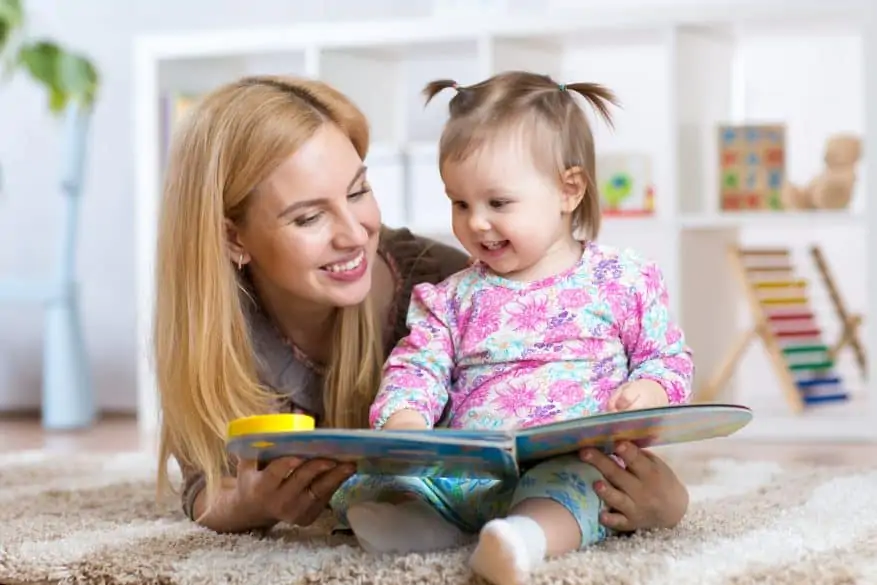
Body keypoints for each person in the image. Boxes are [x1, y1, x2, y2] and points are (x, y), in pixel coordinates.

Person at [152, 73, 691, 543]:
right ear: (232, 238)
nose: (354, 232)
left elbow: (651, 368)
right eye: (308, 217)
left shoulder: (440, 275)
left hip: (557, 471)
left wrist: (665, 501)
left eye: (359, 191)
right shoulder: (217, 327)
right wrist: (251, 506)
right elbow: (205, 483)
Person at [333, 72, 695, 585]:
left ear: (568, 190)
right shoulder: (452, 295)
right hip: (473, 465)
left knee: (578, 490)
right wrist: (407, 419)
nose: (476, 223)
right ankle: (418, 523)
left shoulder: (623, 280)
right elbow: (418, 364)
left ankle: (523, 540)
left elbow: (668, 356)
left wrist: (652, 388)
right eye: (460, 203)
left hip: (573, 458)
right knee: (392, 481)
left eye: (497, 203)